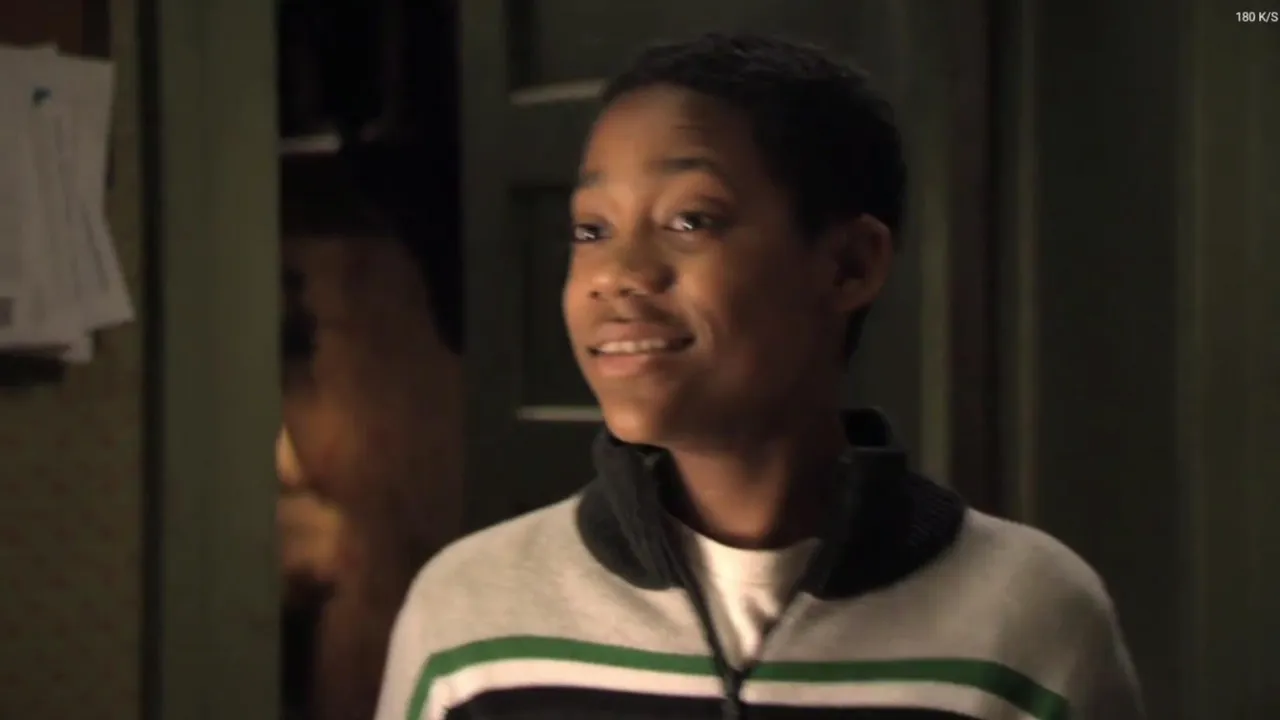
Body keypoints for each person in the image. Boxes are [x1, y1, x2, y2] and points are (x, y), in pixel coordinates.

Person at [374, 33, 1144, 720]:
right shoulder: (471, 618)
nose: (617, 274)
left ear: (849, 265)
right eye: (591, 229)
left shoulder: (1028, 621)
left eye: (690, 220)